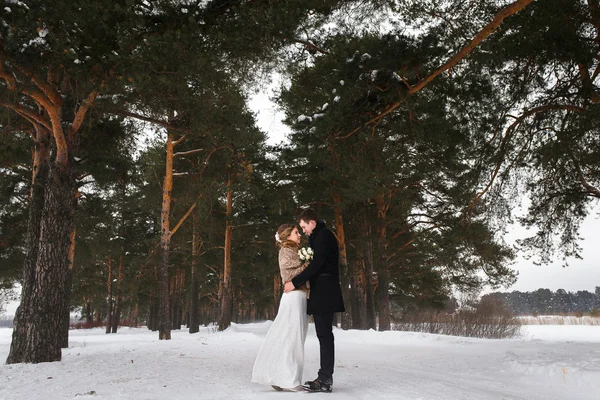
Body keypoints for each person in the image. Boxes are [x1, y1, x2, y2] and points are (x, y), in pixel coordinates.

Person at [283, 208, 345, 393]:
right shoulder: (317, 236)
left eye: (303, 227)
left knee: (325, 335)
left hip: (326, 292)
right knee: (323, 335)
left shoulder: (324, 236)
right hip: (321, 292)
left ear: (312, 223)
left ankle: (325, 380)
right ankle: (324, 378)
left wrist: (294, 282)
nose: (303, 231)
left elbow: (317, 265)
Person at [251, 224, 310, 391]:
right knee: (291, 336)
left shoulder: (295, 250)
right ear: (287, 236)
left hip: (300, 296)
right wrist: (309, 262)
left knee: (294, 336)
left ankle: (279, 374)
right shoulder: (286, 252)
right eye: (296, 233)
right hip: (293, 297)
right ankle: (288, 380)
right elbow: (291, 274)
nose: (299, 235)